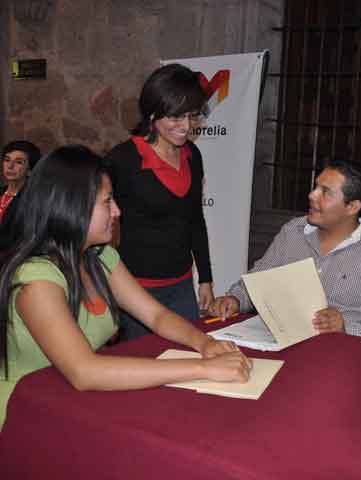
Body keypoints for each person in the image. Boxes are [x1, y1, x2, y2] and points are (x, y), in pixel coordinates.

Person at [0, 145, 251, 429]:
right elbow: (84, 371)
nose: (117, 211)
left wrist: (204, 343)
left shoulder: (101, 257)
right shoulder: (36, 279)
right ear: (72, 206)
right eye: (107, 201)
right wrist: (203, 368)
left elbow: (156, 315)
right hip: (24, 415)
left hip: (71, 403)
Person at [209, 161, 361, 342]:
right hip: (279, 341)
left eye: (325, 192)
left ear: (352, 207)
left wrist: (345, 327)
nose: (312, 195)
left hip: (338, 353)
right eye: (316, 187)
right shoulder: (293, 231)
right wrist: (235, 299)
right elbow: (258, 281)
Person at [106, 63, 214, 341]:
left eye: (192, 116)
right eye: (176, 117)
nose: (186, 127)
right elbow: (98, 224)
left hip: (182, 286)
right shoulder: (123, 160)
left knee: (189, 356)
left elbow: (195, 220)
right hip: (136, 292)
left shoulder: (193, 155)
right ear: (153, 113)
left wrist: (205, 278)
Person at [1, 140, 41, 222]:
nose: (10, 166)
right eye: (7, 160)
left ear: (30, 170)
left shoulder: (33, 200)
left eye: (19, 162)